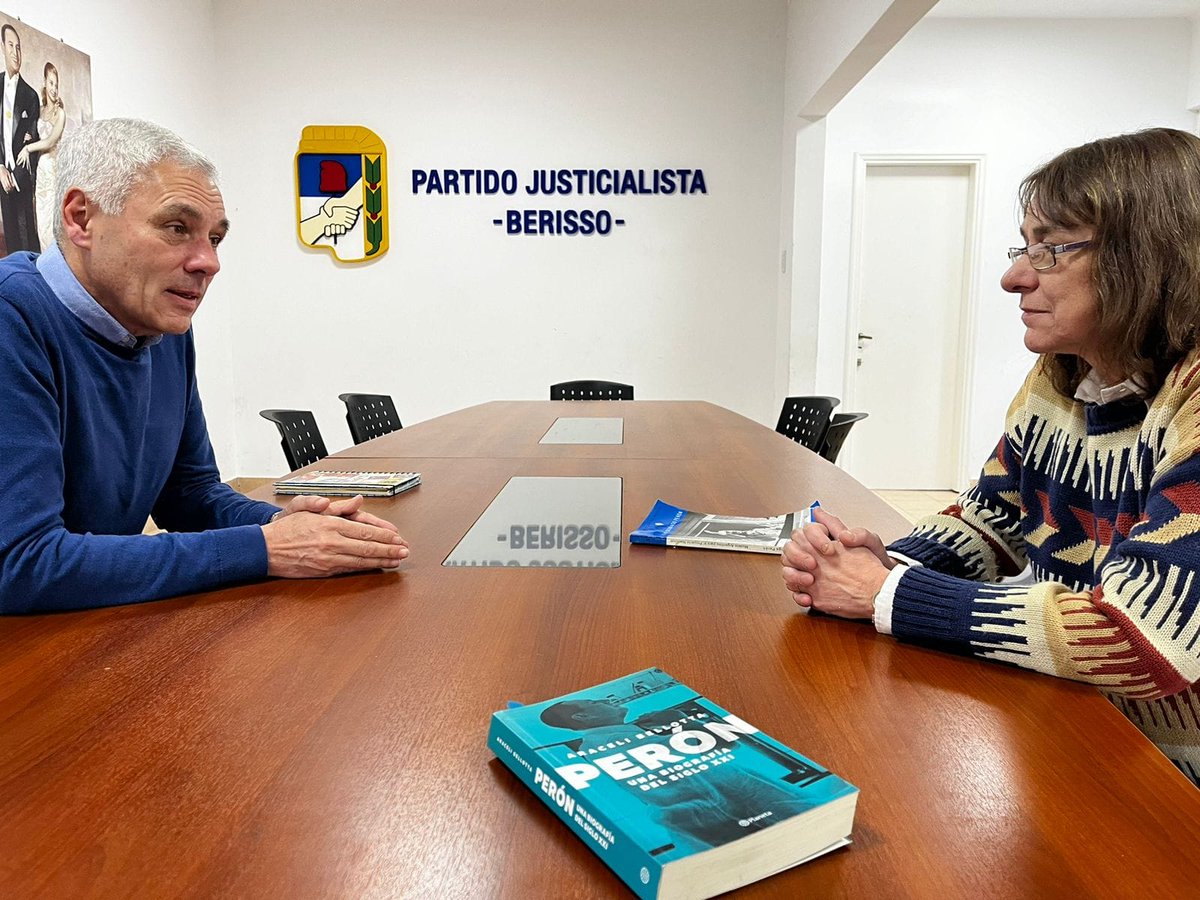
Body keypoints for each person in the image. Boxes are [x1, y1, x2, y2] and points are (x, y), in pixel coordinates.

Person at [781, 127, 1200, 786]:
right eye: (1023, 246)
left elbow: (1143, 639)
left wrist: (888, 593)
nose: (1013, 277)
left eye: (1052, 249)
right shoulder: (1062, 374)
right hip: (1076, 729)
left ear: (1148, 257)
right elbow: (992, 518)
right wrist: (883, 563)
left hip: (1168, 784)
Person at [0, 118, 409, 614]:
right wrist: (266, 548)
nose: (208, 262)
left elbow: (188, 493)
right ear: (81, 218)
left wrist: (280, 525)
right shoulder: (12, 318)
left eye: (214, 238)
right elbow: (22, 563)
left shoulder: (161, 323)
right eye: (177, 228)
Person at [0, 22, 39, 252]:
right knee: (12, 244)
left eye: (19, 47)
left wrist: (15, 177)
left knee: (28, 243)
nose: (16, 53)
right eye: (11, 46)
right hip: (1, 178)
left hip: (22, 181)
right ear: (3, 47)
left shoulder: (31, 95)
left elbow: (32, 141)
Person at [17, 60, 64, 251]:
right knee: (41, 221)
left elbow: (50, 142)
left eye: (56, 84)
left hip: (53, 170)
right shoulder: (41, 111)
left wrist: (28, 149)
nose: (53, 88)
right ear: (45, 83)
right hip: (40, 172)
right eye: (51, 83)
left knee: (52, 223)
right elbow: (35, 134)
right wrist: (27, 138)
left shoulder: (60, 113)